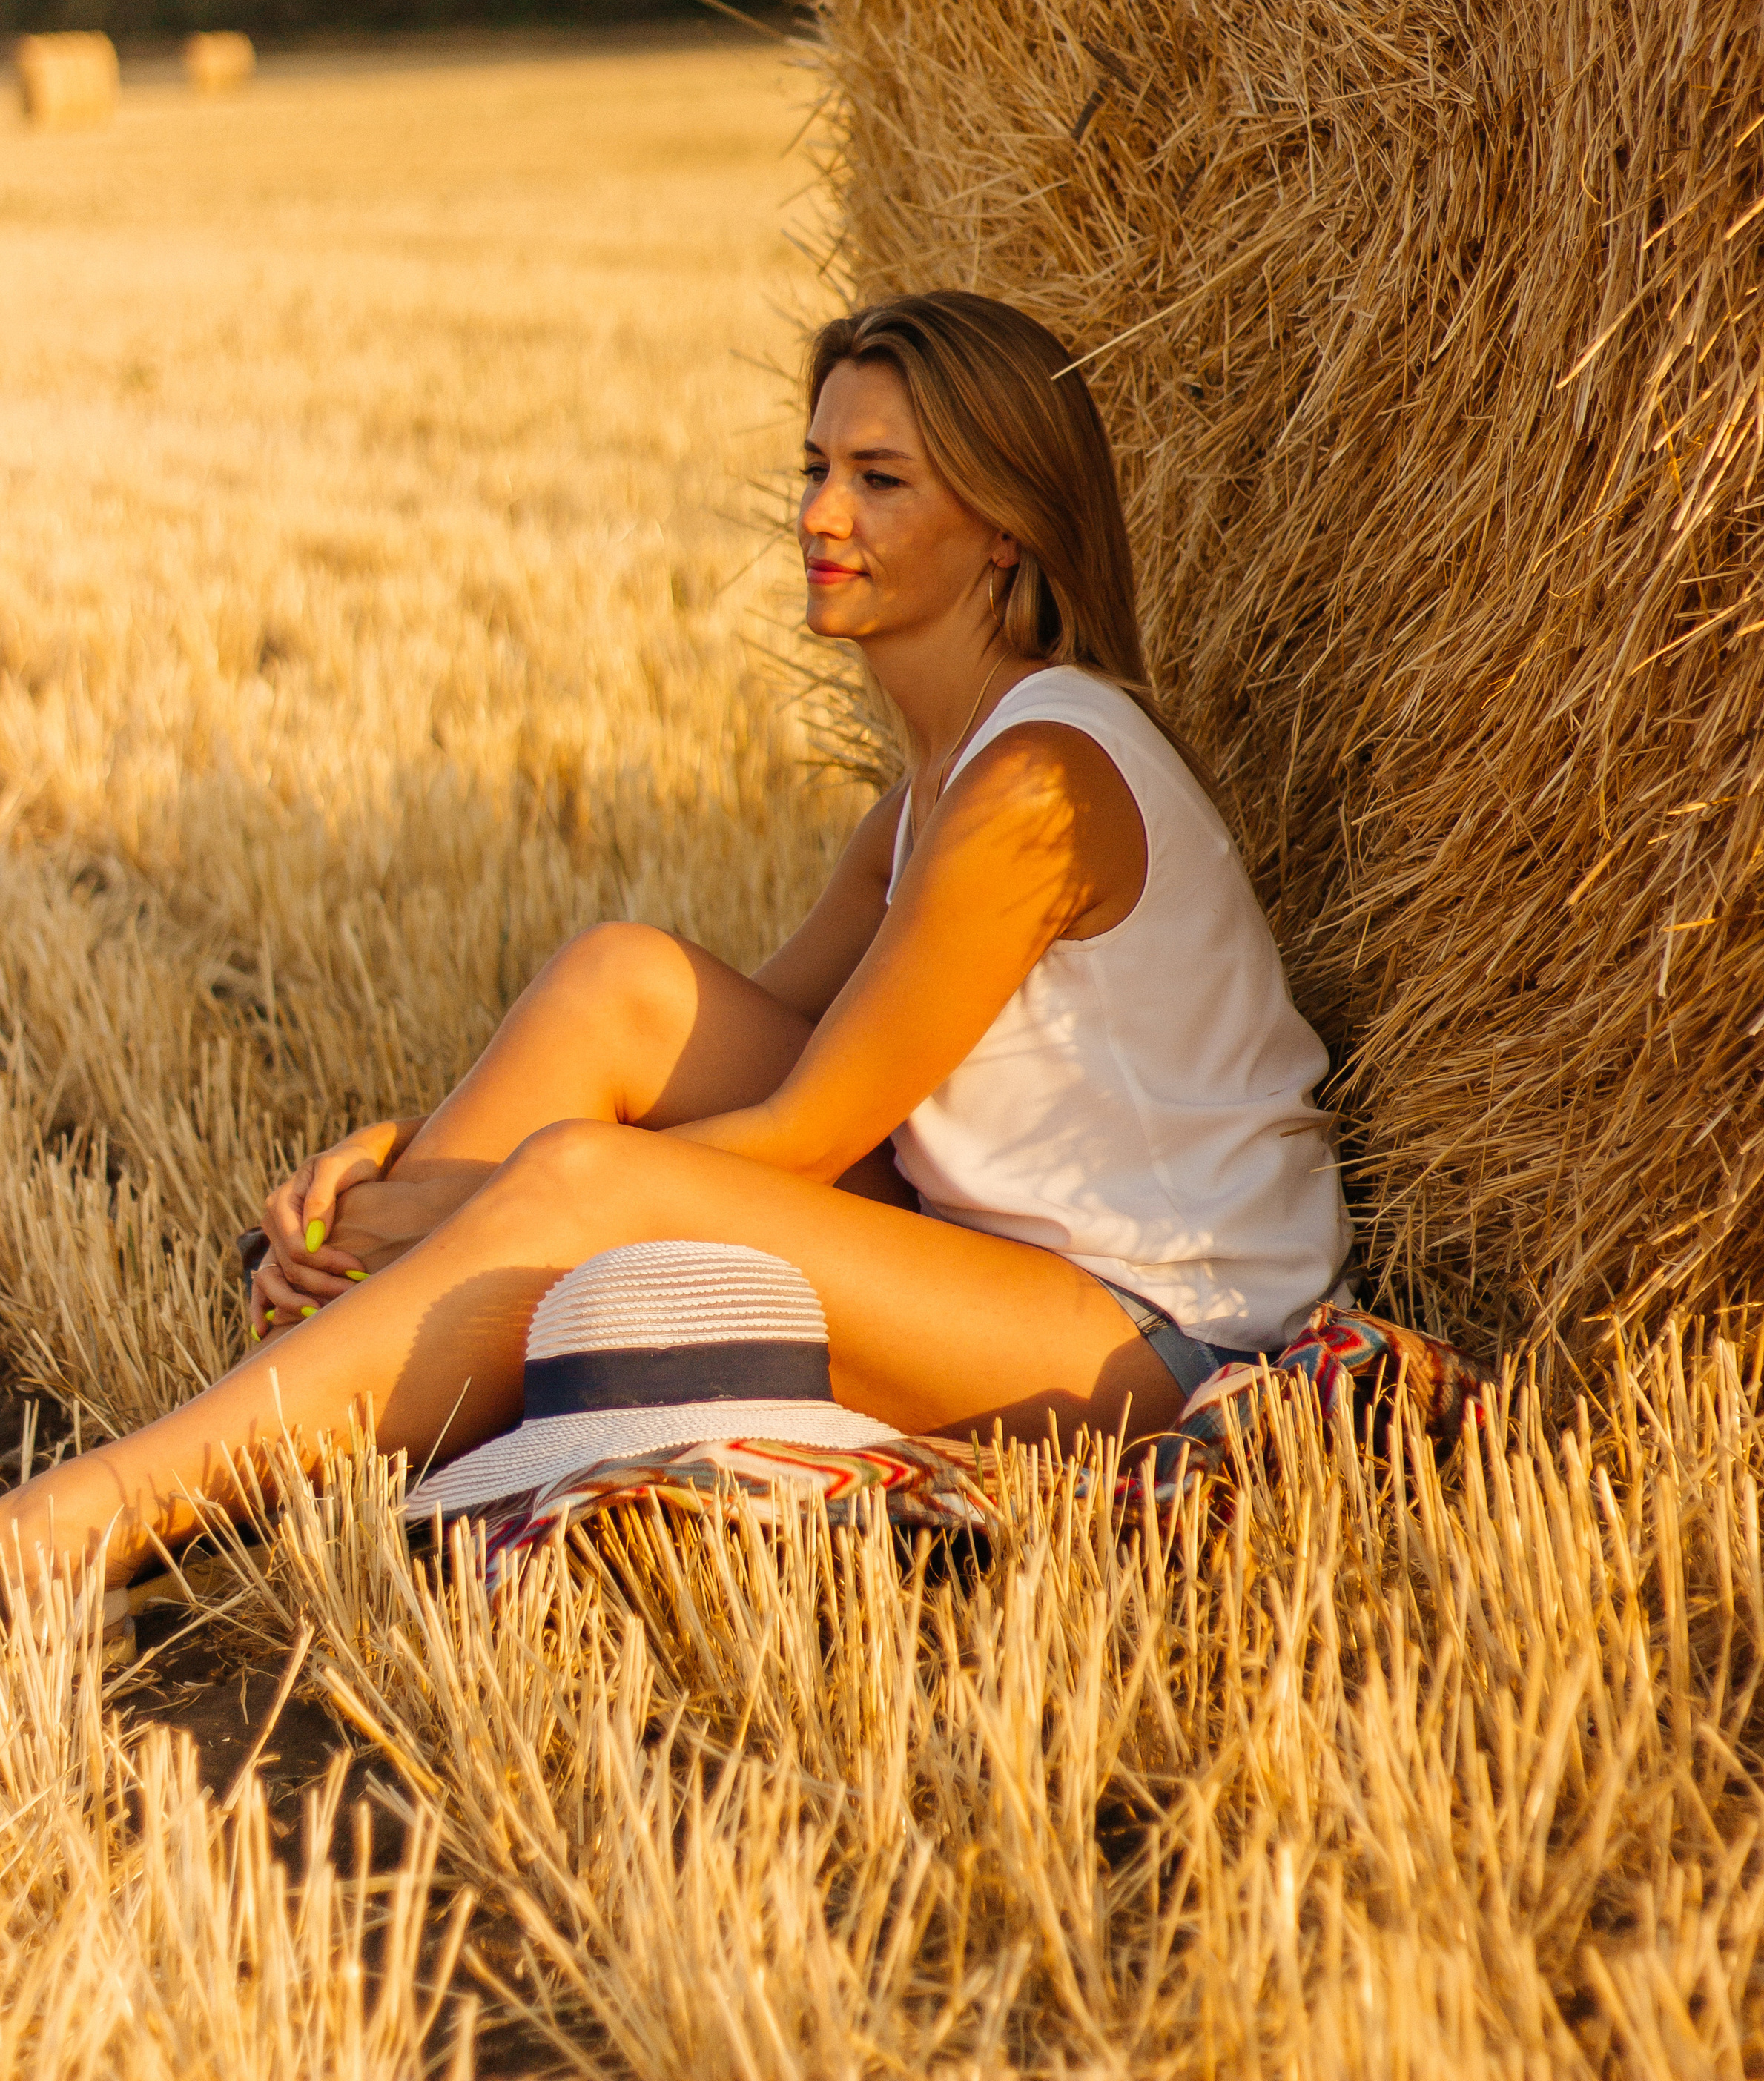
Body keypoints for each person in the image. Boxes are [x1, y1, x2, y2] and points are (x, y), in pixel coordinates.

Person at [0, 291, 1349, 1587]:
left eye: (882, 480)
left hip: (1146, 1333)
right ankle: (326, 1362)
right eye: (816, 465)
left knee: (589, 1185)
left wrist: (441, 1210)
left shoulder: (1035, 787)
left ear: (1004, 527)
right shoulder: (925, 798)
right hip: (992, 1262)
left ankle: (91, 1518)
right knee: (622, 984)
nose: (819, 514)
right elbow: (713, 1052)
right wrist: (401, 1157)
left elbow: (800, 1141)